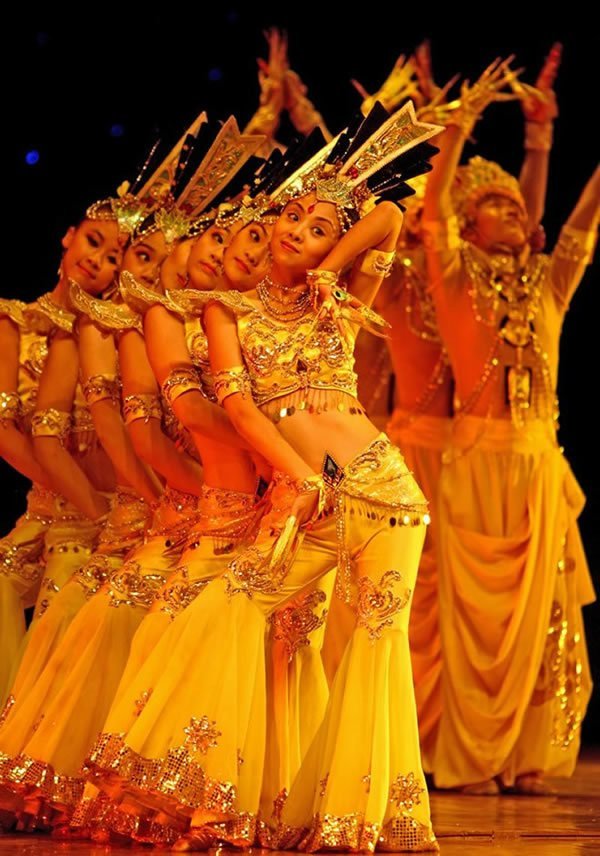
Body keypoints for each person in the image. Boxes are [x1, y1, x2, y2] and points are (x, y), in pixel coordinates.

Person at [421, 56, 597, 794]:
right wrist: (458, 129)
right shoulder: (454, 279)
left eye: (521, 206)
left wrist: (543, 141)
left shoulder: (548, 285)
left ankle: (524, 757)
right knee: (475, 625)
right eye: (499, 204)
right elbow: (432, 212)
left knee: (542, 621)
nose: (517, 211)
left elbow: (582, 224)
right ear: (470, 223)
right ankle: (467, 757)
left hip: (538, 466)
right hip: (476, 464)